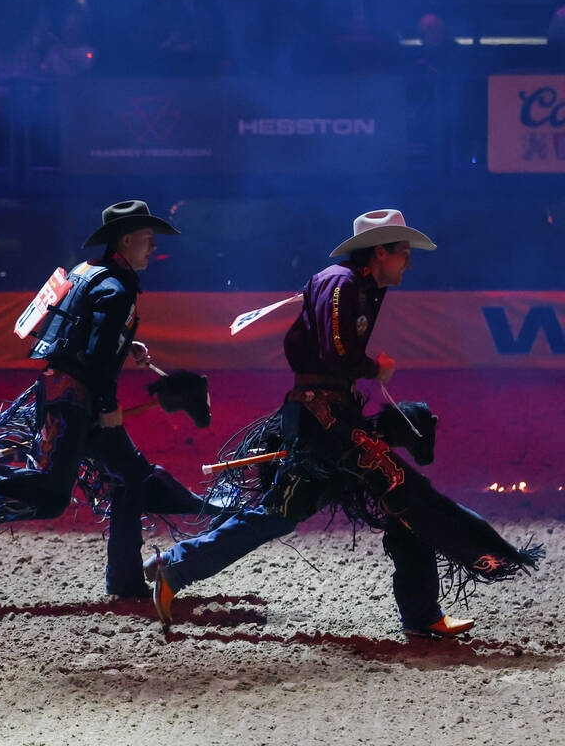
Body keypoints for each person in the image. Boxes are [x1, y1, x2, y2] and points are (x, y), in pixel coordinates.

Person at [143, 209, 543, 638]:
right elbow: (338, 354)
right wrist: (375, 367)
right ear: (381, 253)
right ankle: (446, 593)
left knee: (289, 513)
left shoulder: (355, 284)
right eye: (403, 253)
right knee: (407, 494)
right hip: (326, 423)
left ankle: (177, 566)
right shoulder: (344, 284)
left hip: (326, 419)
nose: (409, 262)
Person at [0, 200, 216, 597]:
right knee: (56, 492)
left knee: (129, 478)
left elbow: (75, 333)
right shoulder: (118, 289)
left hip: (58, 393)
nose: (153, 247)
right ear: (125, 240)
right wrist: (106, 407)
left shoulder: (86, 272)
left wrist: (126, 343)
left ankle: (125, 580)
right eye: (147, 239)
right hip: (78, 402)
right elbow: (99, 355)